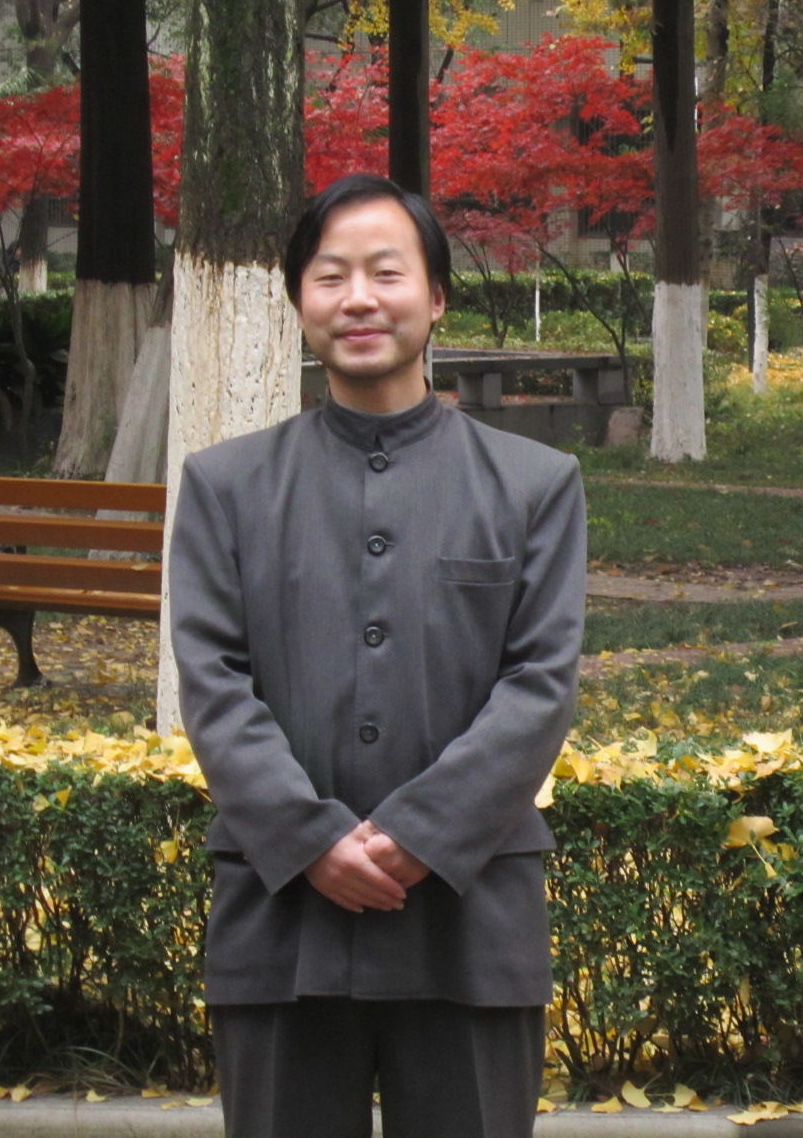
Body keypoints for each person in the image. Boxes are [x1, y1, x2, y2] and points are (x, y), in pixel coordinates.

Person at [169, 172, 586, 1138]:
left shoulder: (533, 484)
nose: (358, 299)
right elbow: (214, 683)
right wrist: (310, 840)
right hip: (281, 913)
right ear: (300, 301)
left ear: (435, 297)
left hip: (469, 915)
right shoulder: (228, 487)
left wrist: (419, 838)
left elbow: (539, 685)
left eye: (386, 273)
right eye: (331, 276)